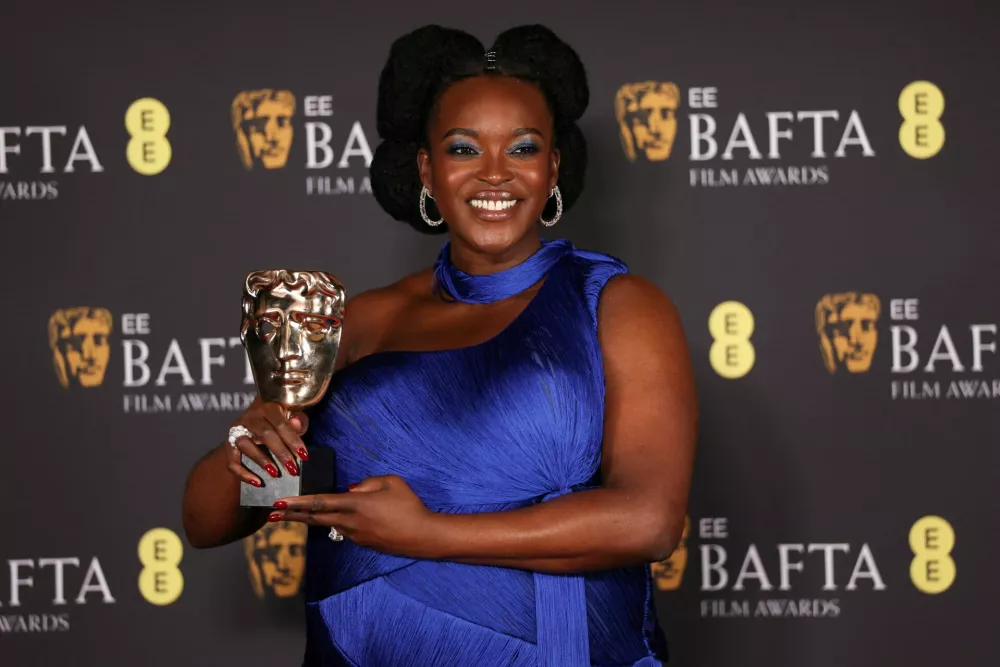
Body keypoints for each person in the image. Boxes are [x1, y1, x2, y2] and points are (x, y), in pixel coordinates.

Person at [182, 23, 697, 667]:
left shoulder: (616, 305)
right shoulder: (359, 321)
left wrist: (427, 534)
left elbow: (649, 521)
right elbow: (208, 522)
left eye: (524, 147)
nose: (495, 174)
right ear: (426, 168)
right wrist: (252, 444)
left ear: (554, 166)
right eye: (463, 148)